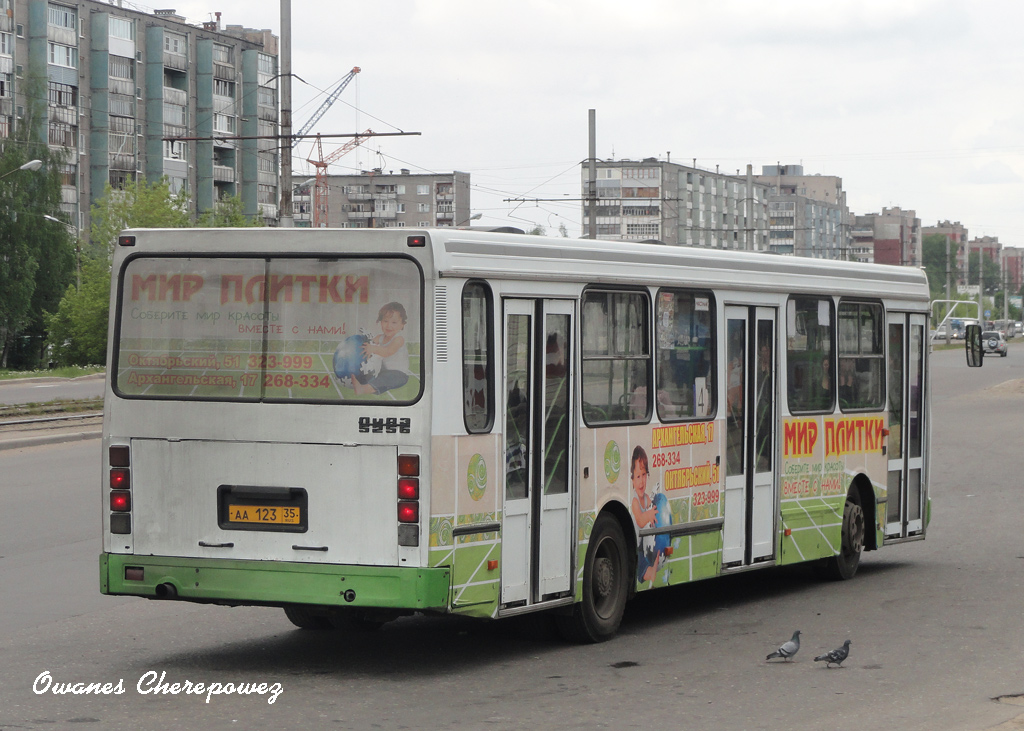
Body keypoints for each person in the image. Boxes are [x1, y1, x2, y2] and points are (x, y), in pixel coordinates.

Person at [353, 302, 411, 396]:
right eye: (385, 321)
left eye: (394, 322)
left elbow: (388, 351)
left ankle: (364, 389)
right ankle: (361, 382)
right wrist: (364, 344)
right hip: (382, 370)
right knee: (372, 373)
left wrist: (373, 348)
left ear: (402, 325)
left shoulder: (398, 339)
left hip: (399, 374)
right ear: (380, 322)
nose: (389, 326)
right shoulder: (380, 337)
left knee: (387, 378)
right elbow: (370, 344)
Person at [629, 445, 660, 583]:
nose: (641, 481)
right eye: (638, 476)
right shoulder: (635, 501)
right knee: (640, 560)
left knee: (645, 554)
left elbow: (649, 520)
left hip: (644, 542)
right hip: (635, 543)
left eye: (644, 475)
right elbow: (641, 520)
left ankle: (653, 566)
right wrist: (648, 515)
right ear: (632, 480)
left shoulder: (647, 498)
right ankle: (649, 573)